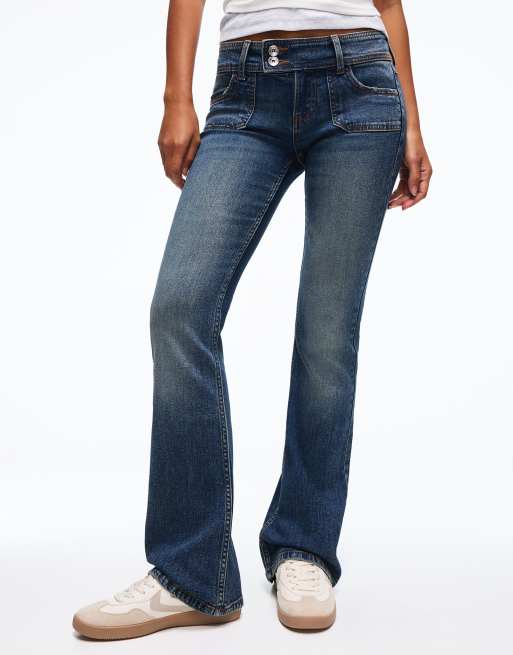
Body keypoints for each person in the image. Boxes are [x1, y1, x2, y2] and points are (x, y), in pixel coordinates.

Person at [73, 0, 432, 639]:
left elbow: (388, 5)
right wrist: (176, 98)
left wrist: (413, 123)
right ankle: (191, 574)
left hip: (360, 84)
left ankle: (304, 548)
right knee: (180, 308)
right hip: (244, 89)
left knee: (327, 331)